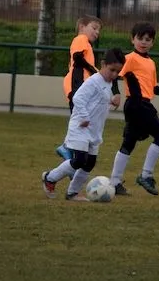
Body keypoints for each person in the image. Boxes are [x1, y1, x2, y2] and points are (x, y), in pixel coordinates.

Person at [42, 48, 126, 201]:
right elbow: (78, 98)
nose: (114, 75)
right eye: (112, 70)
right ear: (103, 64)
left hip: (94, 131)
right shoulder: (93, 81)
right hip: (80, 126)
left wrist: (111, 100)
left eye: (117, 72)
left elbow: (99, 100)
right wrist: (85, 117)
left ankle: (72, 193)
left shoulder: (108, 83)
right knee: (80, 160)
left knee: (90, 163)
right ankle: (50, 178)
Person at [109, 22, 159, 197]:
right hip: (136, 104)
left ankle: (114, 182)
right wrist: (115, 94)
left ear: (152, 42)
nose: (143, 42)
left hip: (143, 104)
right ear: (132, 39)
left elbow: (151, 87)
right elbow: (115, 75)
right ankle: (146, 175)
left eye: (148, 39)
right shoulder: (130, 58)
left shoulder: (151, 63)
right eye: (140, 38)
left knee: (128, 143)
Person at [55, 15, 120, 159]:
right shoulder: (80, 39)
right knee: (80, 117)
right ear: (82, 27)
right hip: (76, 83)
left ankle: (71, 154)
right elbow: (78, 58)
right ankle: (67, 148)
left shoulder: (87, 45)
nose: (97, 32)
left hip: (82, 84)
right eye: (94, 28)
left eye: (99, 30)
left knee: (84, 117)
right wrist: (93, 70)